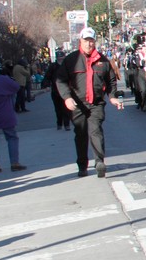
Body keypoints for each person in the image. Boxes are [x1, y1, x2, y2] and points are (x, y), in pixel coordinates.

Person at [56, 27, 124, 178]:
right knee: (80, 134)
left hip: (96, 103)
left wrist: (112, 96)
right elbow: (60, 81)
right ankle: (82, 165)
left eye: (91, 41)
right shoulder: (71, 60)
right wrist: (67, 97)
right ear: (81, 41)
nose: (89, 44)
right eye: (86, 41)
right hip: (77, 104)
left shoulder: (103, 61)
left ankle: (99, 162)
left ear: (95, 42)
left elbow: (111, 81)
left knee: (96, 131)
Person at [43, 52, 72, 130]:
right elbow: (47, 76)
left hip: (66, 90)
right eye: (59, 57)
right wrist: (47, 86)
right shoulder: (53, 66)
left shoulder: (68, 65)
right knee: (58, 109)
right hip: (55, 90)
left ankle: (67, 124)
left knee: (66, 108)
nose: (60, 59)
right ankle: (59, 123)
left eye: (62, 57)